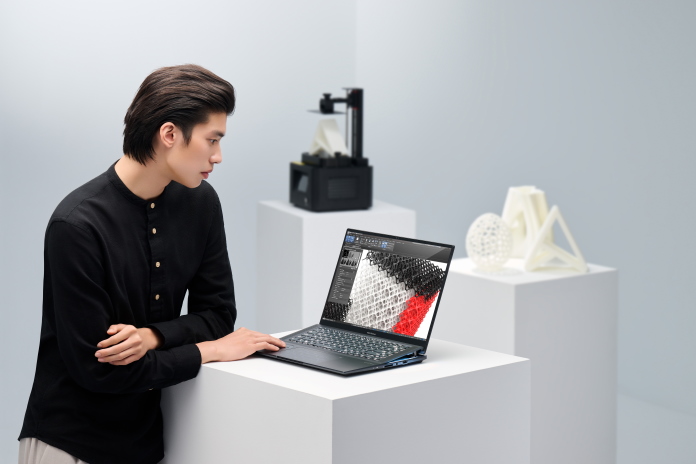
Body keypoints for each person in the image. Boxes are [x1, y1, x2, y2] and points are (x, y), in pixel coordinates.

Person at [18, 64, 285, 464]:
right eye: (212, 139)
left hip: (145, 444)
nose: (218, 156)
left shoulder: (201, 203)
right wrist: (210, 351)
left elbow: (217, 315)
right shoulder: (75, 225)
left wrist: (151, 337)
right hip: (68, 445)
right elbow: (102, 370)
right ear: (170, 134)